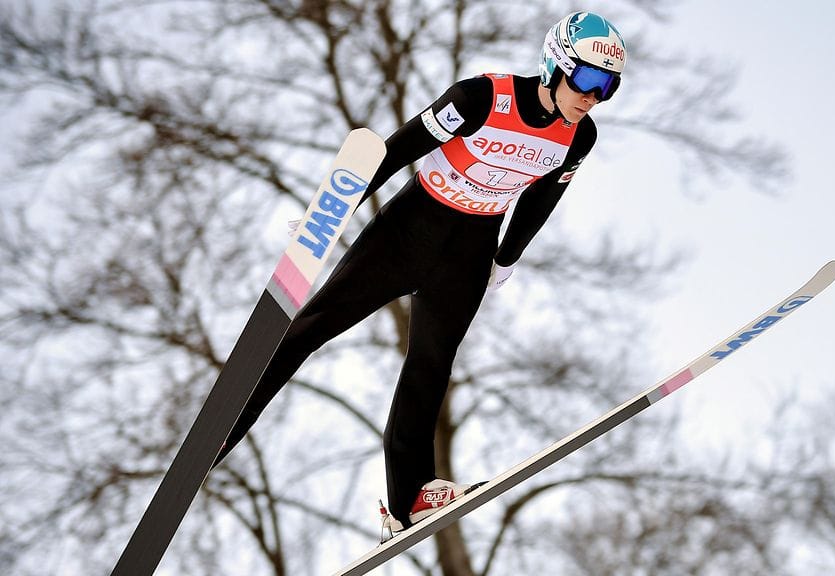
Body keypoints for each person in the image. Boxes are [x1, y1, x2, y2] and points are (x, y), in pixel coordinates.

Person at [213, 11, 627, 533]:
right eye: (586, 79)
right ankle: (221, 430)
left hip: (469, 252)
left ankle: (409, 497)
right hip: (411, 230)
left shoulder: (579, 136)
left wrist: (507, 256)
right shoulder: (481, 97)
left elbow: (542, 199)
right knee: (314, 327)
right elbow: (399, 149)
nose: (592, 96)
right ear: (555, 64)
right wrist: (338, 205)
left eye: (607, 87)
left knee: (431, 366)